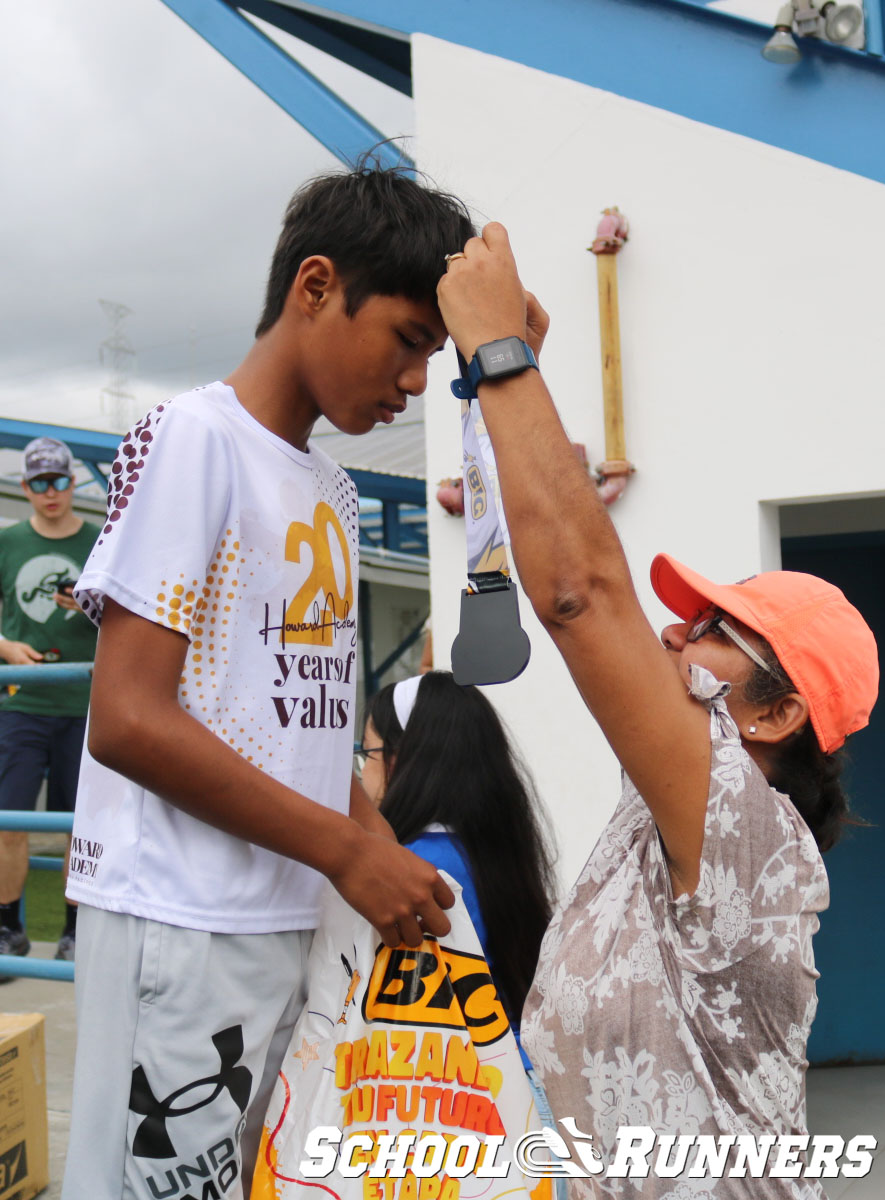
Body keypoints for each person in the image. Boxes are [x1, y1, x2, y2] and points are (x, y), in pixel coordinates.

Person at [436, 225, 879, 1197]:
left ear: (776, 717)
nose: (676, 636)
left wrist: (499, 355)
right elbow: (567, 575)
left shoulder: (743, 837)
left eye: (718, 629)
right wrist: (514, 401)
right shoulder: (667, 813)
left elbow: (580, 597)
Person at [61, 165, 474, 1200]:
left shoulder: (327, 487)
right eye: (410, 340)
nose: (416, 381)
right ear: (317, 286)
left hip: (286, 920)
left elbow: (302, 728)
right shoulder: (193, 440)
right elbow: (125, 720)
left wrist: (376, 857)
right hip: (180, 919)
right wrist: (344, 848)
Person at [357, 670, 556, 1055]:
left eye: (368, 753)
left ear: (401, 758)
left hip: (445, 1084)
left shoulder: (409, 866)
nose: (363, 771)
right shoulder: (495, 848)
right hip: (515, 1069)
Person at [0, 437, 99, 970]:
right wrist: (6, 648)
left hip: (85, 703)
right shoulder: (8, 541)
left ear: (72, 483)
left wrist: (87, 603)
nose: (51, 492)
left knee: (78, 825)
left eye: (60, 480)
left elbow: (130, 611)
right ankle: (8, 927)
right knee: (10, 820)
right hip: (22, 700)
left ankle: (74, 932)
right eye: (39, 482)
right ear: (26, 488)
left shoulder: (101, 538)